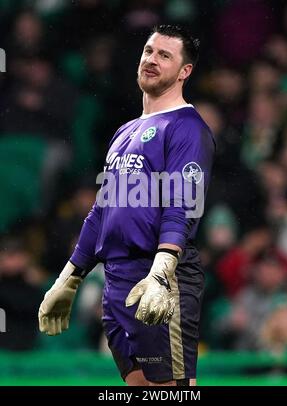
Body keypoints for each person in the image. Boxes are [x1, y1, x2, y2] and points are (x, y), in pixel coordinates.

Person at [38, 24, 215, 386]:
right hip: (116, 283)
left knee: (173, 392)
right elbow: (101, 212)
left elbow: (183, 203)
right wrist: (69, 279)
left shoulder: (187, 127)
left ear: (185, 72)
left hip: (160, 278)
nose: (151, 59)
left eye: (164, 55)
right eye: (149, 51)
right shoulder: (124, 132)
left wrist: (162, 270)